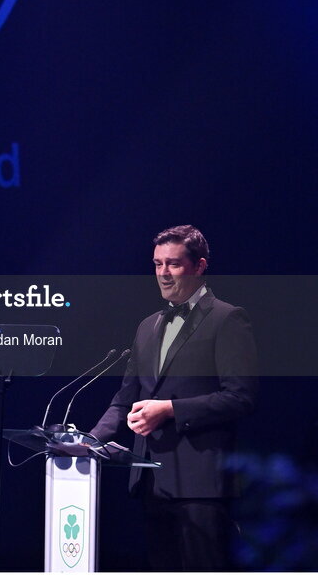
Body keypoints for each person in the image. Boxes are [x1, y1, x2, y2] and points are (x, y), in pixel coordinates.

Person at [90, 225, 258, 571]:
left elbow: (240, 398)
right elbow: (125, 399)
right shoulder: (147, 326)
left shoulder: (228, 319)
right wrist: (87, 442)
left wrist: (170, 410)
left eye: (173, 264)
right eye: (157, 264)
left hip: (201, 484)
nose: (163, 274)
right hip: (152, 480)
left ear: (199, 266)